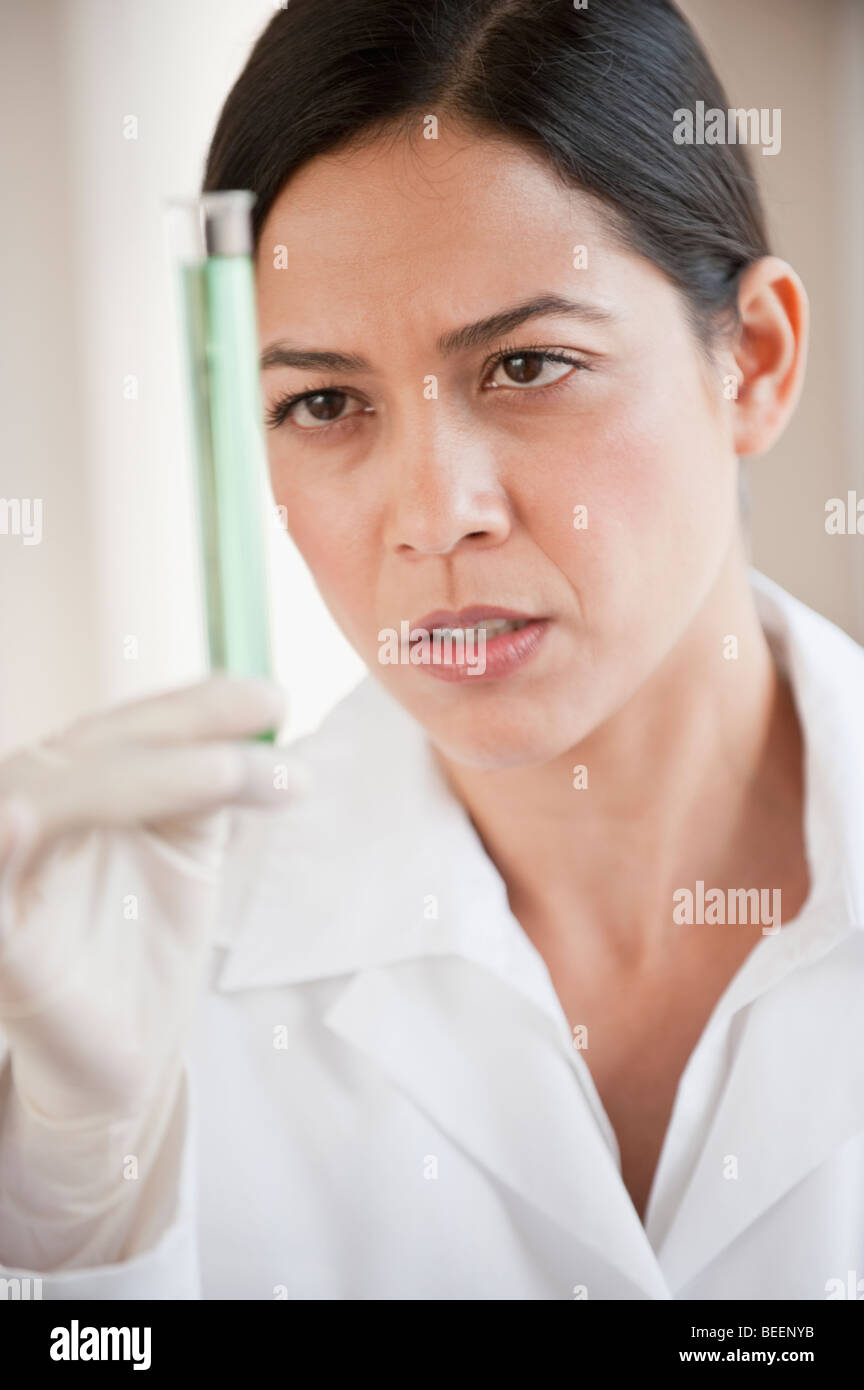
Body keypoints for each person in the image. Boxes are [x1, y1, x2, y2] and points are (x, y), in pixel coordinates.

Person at [1, 0, 863, 1300]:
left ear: (753, 359)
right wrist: (78, 1228)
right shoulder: (154, 995)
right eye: (325, 402)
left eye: (526, 365)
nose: (431, 514)